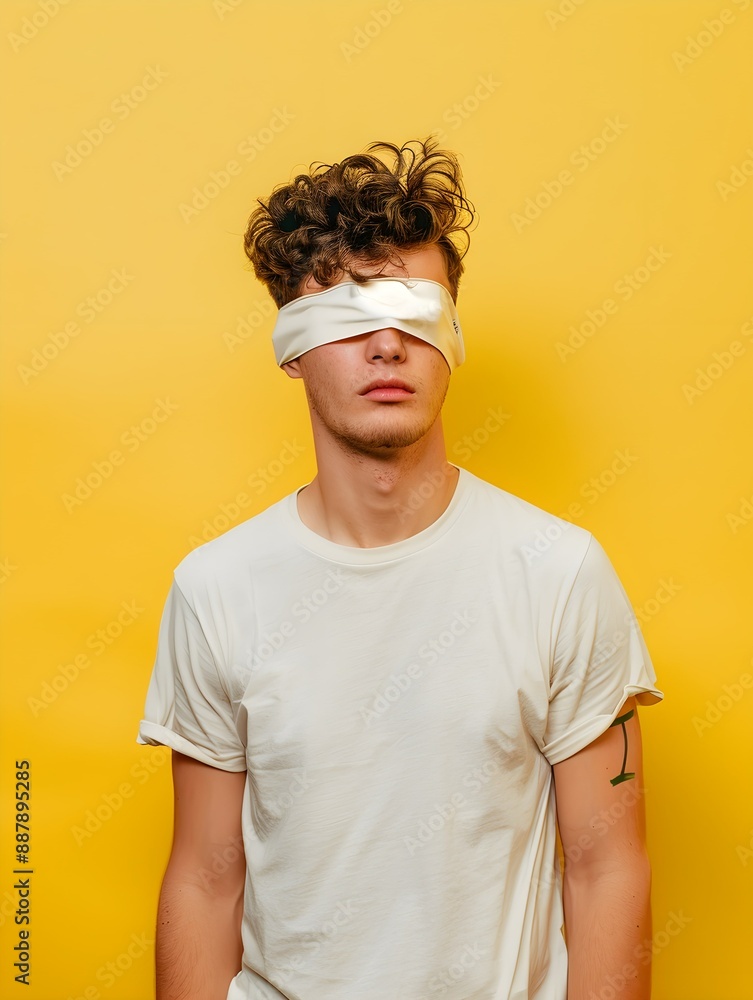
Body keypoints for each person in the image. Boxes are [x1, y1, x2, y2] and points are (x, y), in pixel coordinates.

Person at [137, 137, 664, 1000]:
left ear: (451, 335)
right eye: (346, 316)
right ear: (292, 348)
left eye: (415, 313)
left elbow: (607, 866)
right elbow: (203, 877)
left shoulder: (558, 572)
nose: (386, 346)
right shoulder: (216, 588)